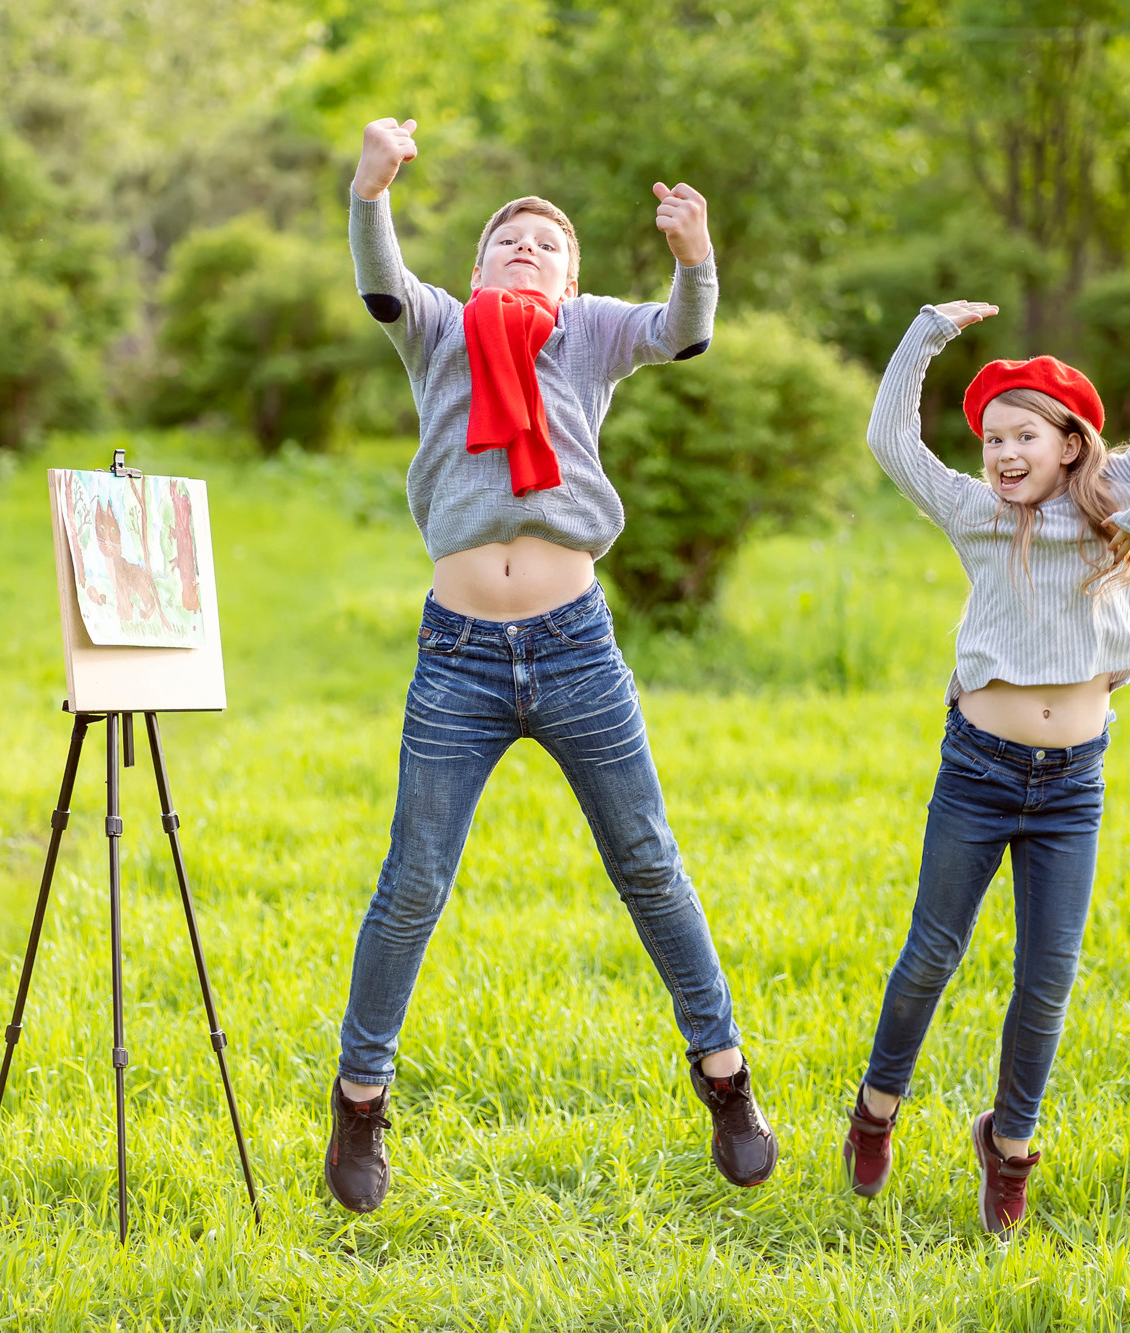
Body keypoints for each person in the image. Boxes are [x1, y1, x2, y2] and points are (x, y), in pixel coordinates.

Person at [324, 116, 776, 1213]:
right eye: (508, 241)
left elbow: (683, 332)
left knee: (649, 862)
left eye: (547, 244)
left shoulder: (589, 333)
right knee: (412, 882)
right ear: (475, 266)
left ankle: (724, 1077)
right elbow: (380, 279)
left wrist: (693, 255)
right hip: (459, 656)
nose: (527, 250)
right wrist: (371, 188)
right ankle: (359, 1102)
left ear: (571, 277)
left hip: (576, 647)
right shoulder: (437, 327)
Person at [844, 299, 1130, 1237]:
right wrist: (925, 329)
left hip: (1073, 785)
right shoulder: (977, 511)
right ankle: (876, 1107)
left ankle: (1009, 1146)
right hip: (978, 769)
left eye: (1023, 435)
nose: (1004, 454)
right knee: (934, 950)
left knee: (1046, 977)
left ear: (1068, 442)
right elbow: (891, 440)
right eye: (991, 439)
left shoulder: (1111, 505)